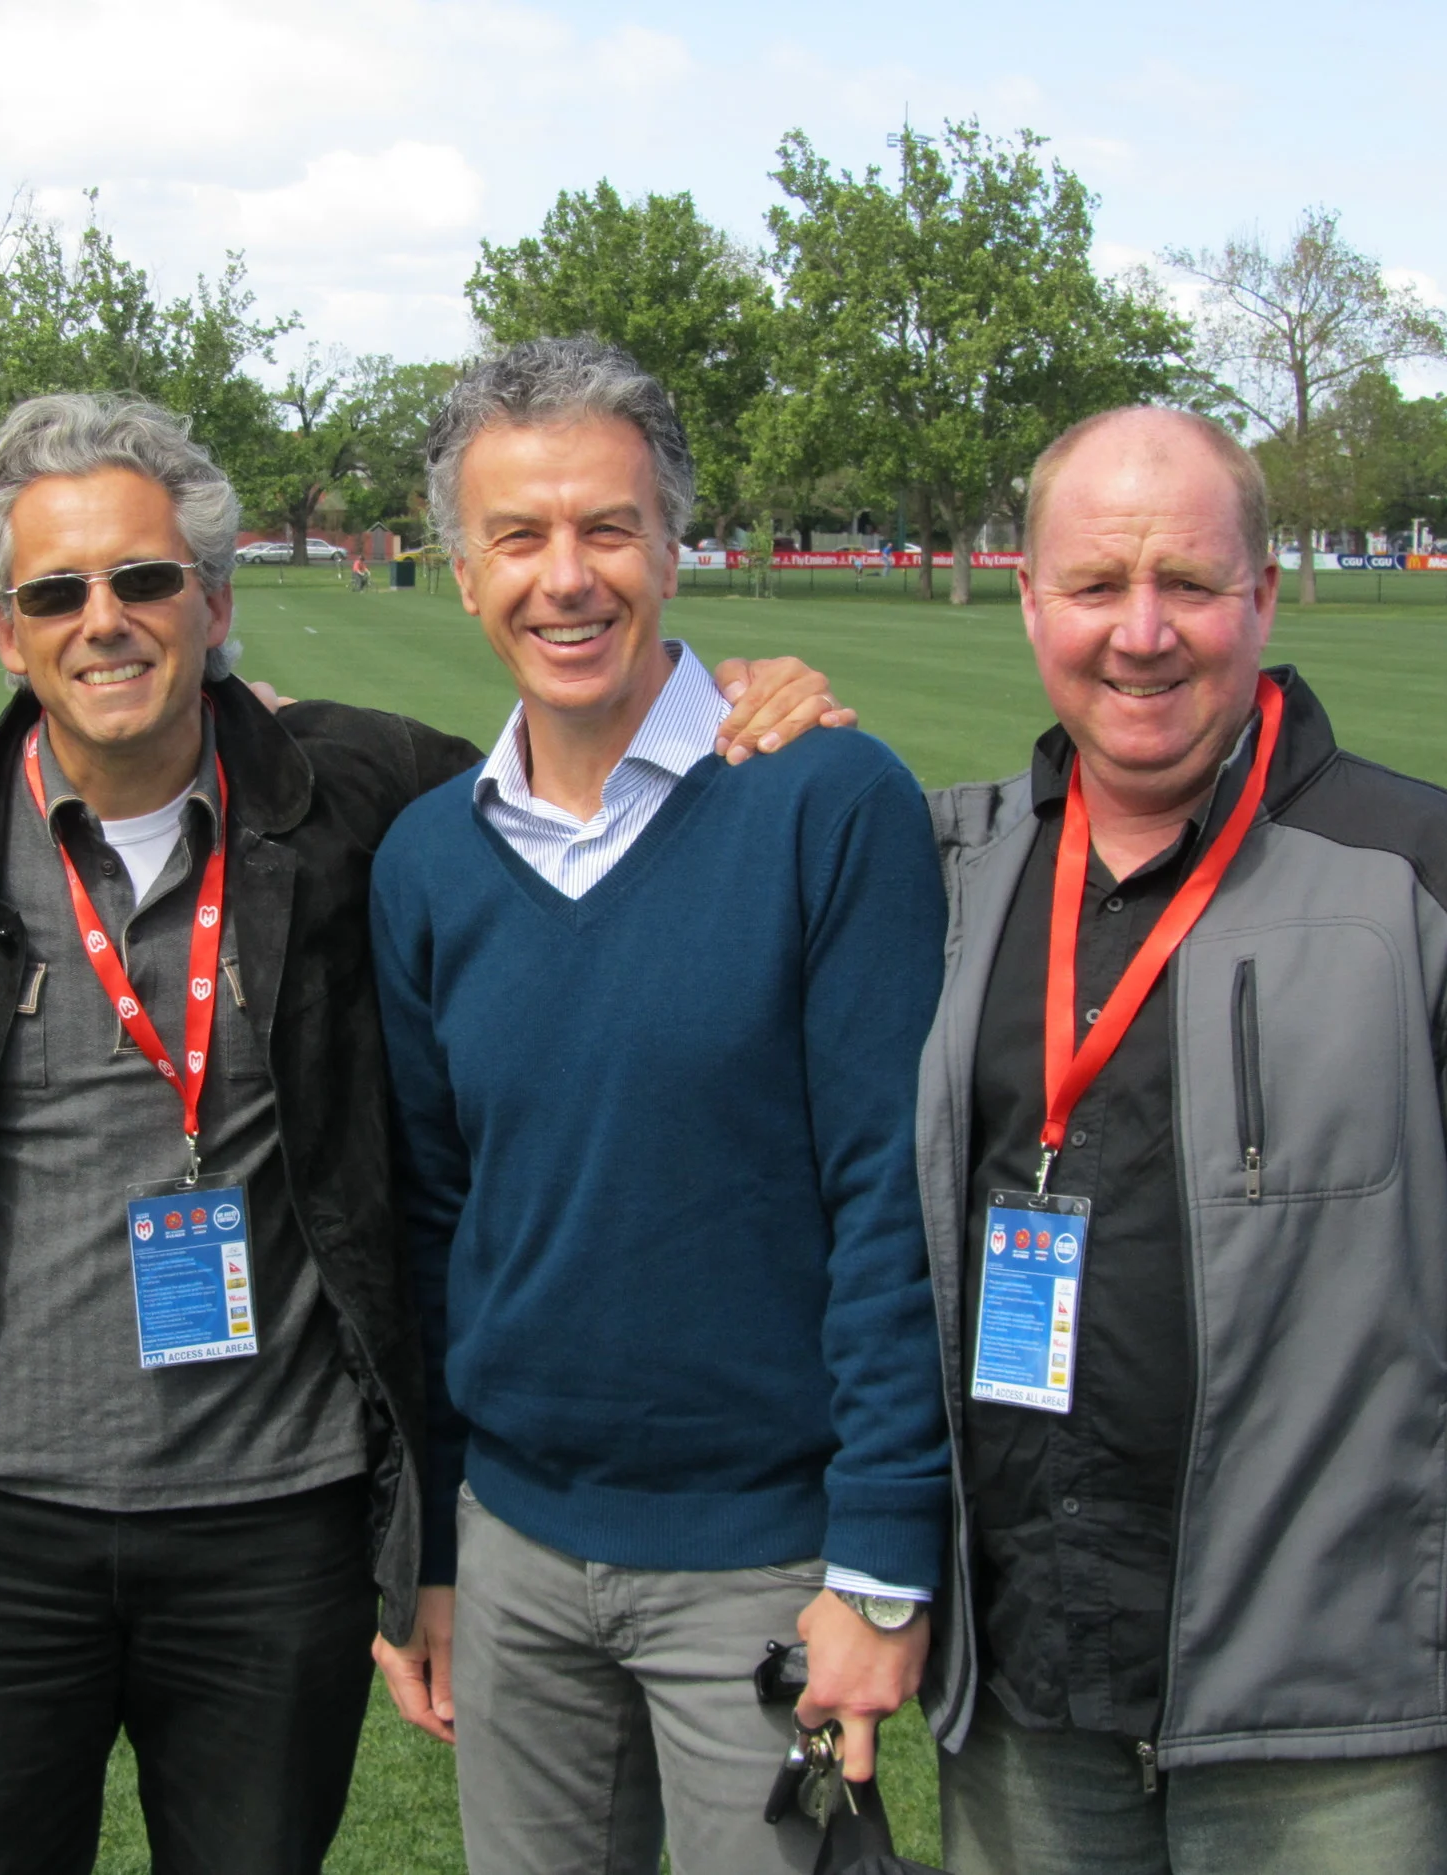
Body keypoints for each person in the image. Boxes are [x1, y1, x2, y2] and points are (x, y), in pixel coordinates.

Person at [0, 388, 848, 1875]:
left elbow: (575, 763)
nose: (107, 619)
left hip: (273, 1524)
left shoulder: (364, 797)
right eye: (58, 592)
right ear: (5, 630)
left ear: (214, 602)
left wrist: (736, 693)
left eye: (147, 578)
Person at [919, 405, 1447, 1875]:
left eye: (1188, 581)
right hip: (1022, 1693)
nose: (1142, 632)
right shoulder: (939, 871)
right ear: (1028, 598)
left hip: (1337, 1729)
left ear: (1262, 592)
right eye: (1096, 585)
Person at [368, 337, 953, 1875]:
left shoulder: (831, 802)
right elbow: (434, 1223)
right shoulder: (430, 858)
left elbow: (889, 1198)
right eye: (519, 535)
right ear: (461, 567)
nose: (567, 578)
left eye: (607, 529)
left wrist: (882, 1565)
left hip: (773, 1568)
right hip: (515, 1557)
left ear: (675, 543)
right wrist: (430, 1546)